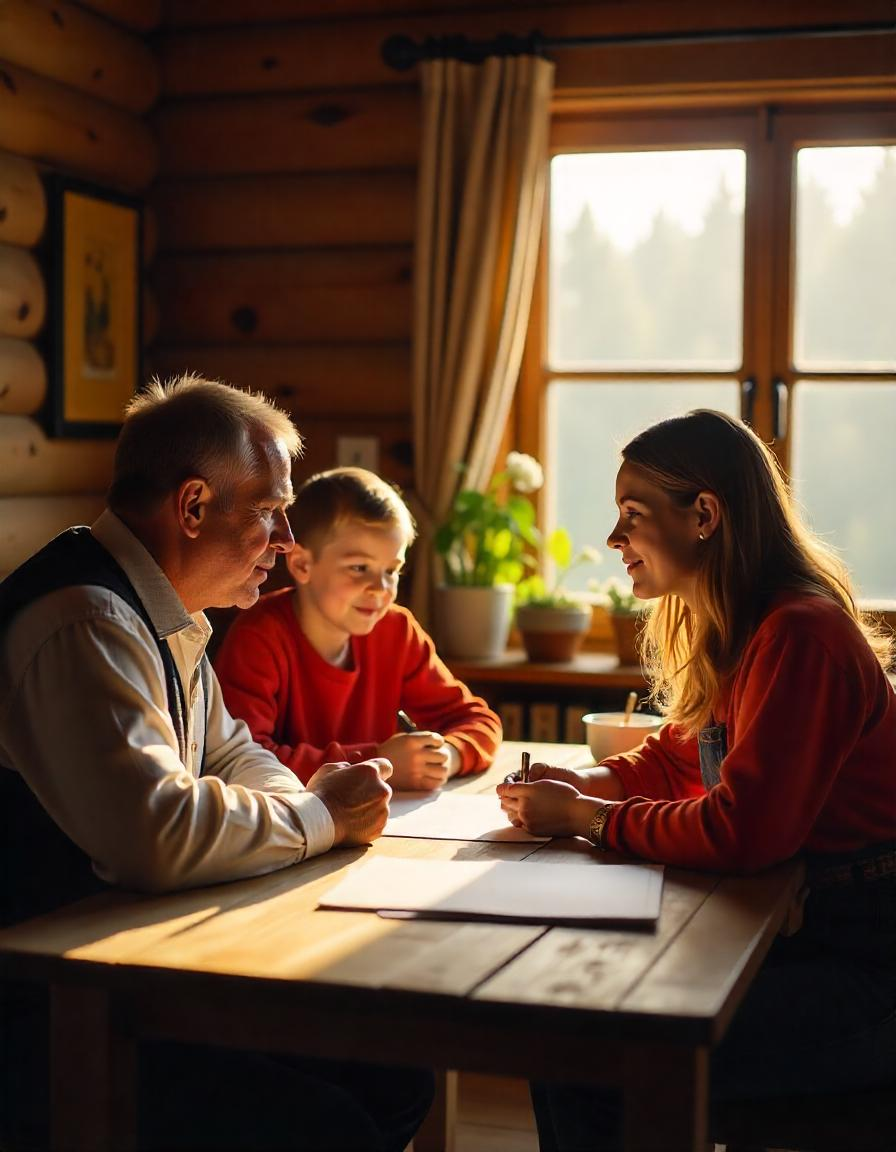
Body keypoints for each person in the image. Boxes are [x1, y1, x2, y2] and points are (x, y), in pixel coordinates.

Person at [0, 374, 433, 1151]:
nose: (286, 540)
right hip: (43, 1009)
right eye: (268, 511)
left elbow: (238, 756)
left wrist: (306, 813)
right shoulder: (85, 621)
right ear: (193, 506)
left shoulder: (170, 615)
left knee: (399, 1078)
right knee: (331, 1122)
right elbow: (155, 832)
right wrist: (321, 816)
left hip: (126, 967)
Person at [497, 409, 895, 1150]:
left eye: (631, 515)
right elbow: (684, 757)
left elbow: (744, 832)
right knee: (570, 1024)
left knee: (588, 1050)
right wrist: (587, 780)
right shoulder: (741, 627)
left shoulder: (801, 635)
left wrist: (585, 817)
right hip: (807, 936)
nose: (614, 539)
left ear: (705, 514)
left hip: (866, 970)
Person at [215, 465, 501, 790]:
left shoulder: (396, 629)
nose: (380, 588)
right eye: (359, 567)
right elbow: (243, 761)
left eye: (392, 570)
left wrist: (447, 757)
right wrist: (376, 761)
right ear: (302, 565)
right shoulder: (259, 636)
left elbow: (478, 721)